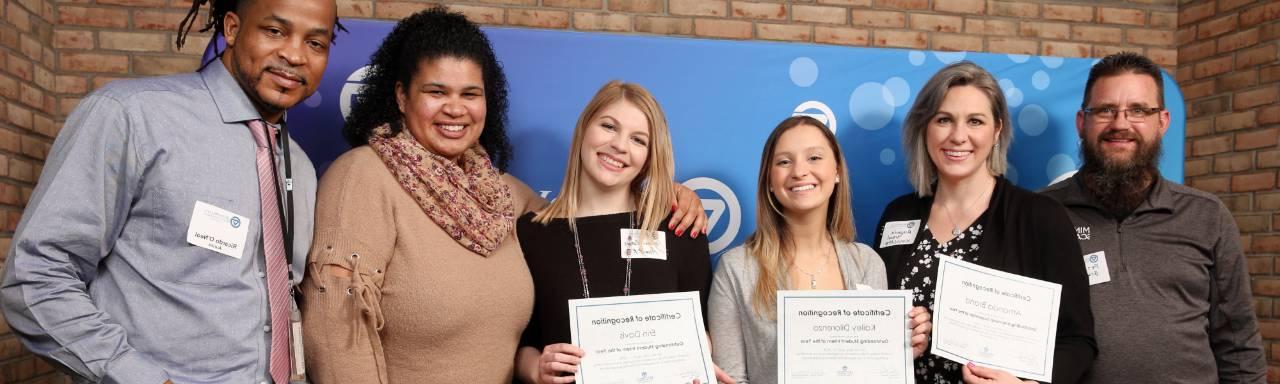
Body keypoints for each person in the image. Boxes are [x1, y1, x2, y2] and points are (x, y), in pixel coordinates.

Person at [299, 8, 706, 383]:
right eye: (437, 92)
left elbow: (580, 221)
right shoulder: (362, 176)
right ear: (403, 97)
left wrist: (667, 192)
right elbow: (336, 337)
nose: (455, 109)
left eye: (470, 94)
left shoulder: (501, 195)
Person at [0, 0, 337, 383]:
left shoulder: (301, 168)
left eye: (315, 43)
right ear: (231, 28)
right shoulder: (131, 116)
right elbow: (36, 277)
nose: (294, 55)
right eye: (274, 31)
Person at [1041, 52, 1265, 383]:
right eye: (1105, 110)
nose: (1120, 123)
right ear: (1081, 122)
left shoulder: (1207, 216)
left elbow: (1238, 345)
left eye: (1138, 110)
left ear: (1162, 121)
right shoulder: (1040, 214)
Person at [872, 62, 1096, 384]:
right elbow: (878, 326)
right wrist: (898, 337)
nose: (958, 136)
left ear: (997, 131)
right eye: (944, 119)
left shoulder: (1040, 217)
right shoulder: (898, 215)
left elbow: (1079, 342)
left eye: (975, 121)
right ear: (925, 128)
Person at [514, 80, 713, 383]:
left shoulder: (678, 227)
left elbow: (704, 331)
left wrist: (695, 366)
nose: (619, 145)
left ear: (649, 157)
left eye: (638, 139)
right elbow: (520, 343)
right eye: (609, 126)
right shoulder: (532, 234)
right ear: (584, 129)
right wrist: (536, 369)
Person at [709, 116, 932, 384]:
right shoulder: (736, 269)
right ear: (769, 179)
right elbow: (729, 379)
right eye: (784, 161)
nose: (799, 171)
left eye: (814, 158)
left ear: (837, 170)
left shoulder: (867, 263)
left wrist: (900, 353)